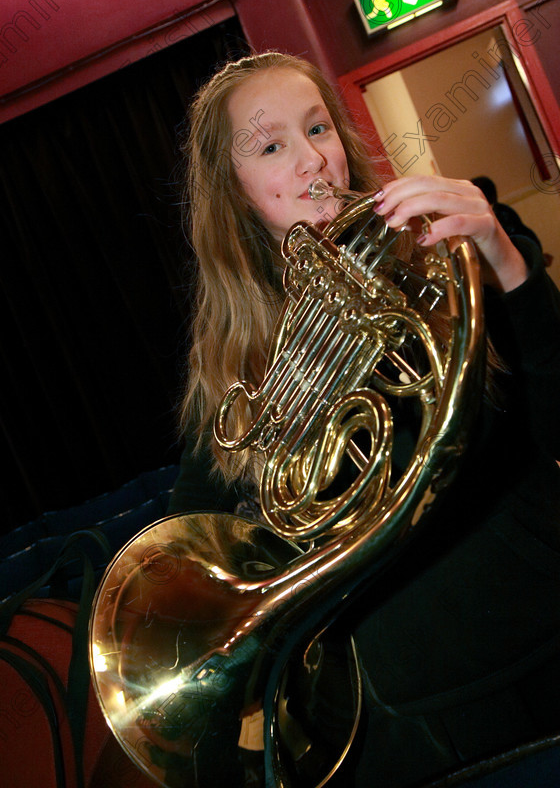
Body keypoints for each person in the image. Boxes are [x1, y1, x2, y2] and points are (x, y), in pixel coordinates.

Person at [169, 51, 560, 787]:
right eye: (273, 145)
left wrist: (507, 265)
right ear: (236, 192)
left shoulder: (461, 247)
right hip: (416, 711)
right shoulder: (232, 372)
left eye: (319, 128)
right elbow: (204, 568)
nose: (315, 159)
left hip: (546, 619)